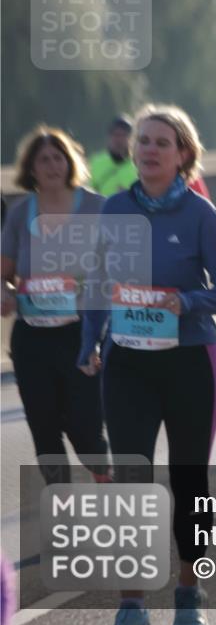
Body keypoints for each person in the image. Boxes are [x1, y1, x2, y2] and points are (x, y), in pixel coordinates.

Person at [77, 104, 216, 625]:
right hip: (128, 363)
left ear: (183, 155)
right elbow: (99, 284)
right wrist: (90, 342)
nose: (148, 149)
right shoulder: (114, 209)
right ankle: (132, 602)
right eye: (143, 141)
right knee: (131, 478)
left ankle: (189, 591)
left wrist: (186, 302)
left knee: (189, 479)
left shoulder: (201, 214)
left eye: (161, 142)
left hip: (191, 361)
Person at [1, 127, 110, 484]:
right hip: (32, 339)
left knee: (86, 428)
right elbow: (3, 273)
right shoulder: (19, 214)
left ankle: (106, 479)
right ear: (30, 168)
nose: (51, 165)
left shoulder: (97, 207)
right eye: (42, 159)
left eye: (58, 157)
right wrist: (4, 291)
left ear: (70, 161)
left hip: (83, 334)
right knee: (44, 429)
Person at [89, 116, 138, 197]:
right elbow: (88, 191)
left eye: (123, 135)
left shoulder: (139, 163)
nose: (118, 140)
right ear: (109, 137)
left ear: (132, 139)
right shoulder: (96, 161)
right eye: (115, 135)